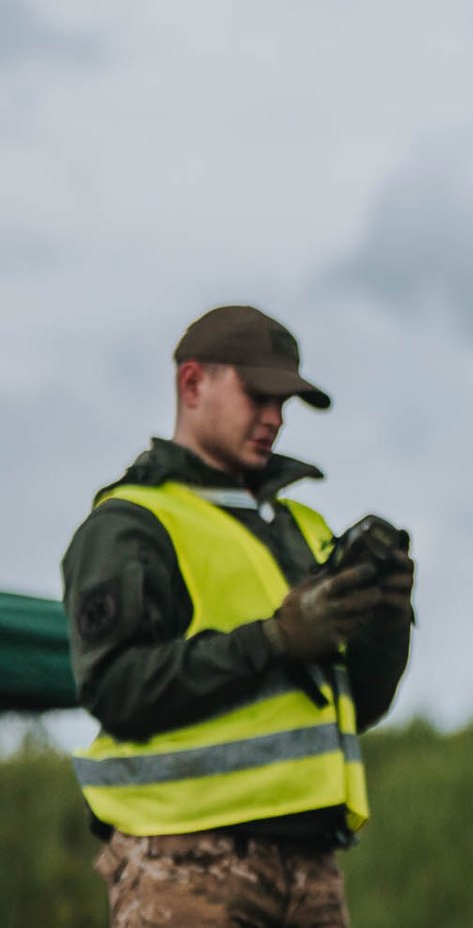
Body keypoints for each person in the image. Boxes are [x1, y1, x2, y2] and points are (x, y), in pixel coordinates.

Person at [61, 306, 414, 928]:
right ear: (192, 384)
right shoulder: (129, 525)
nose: (275, 418)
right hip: (183, 866)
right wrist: (276, 638)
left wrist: (386, 620)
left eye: (286, 403)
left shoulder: (302, 529)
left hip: (312, 869)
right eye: (259, 396)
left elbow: (355, 706)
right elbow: (117, 691)